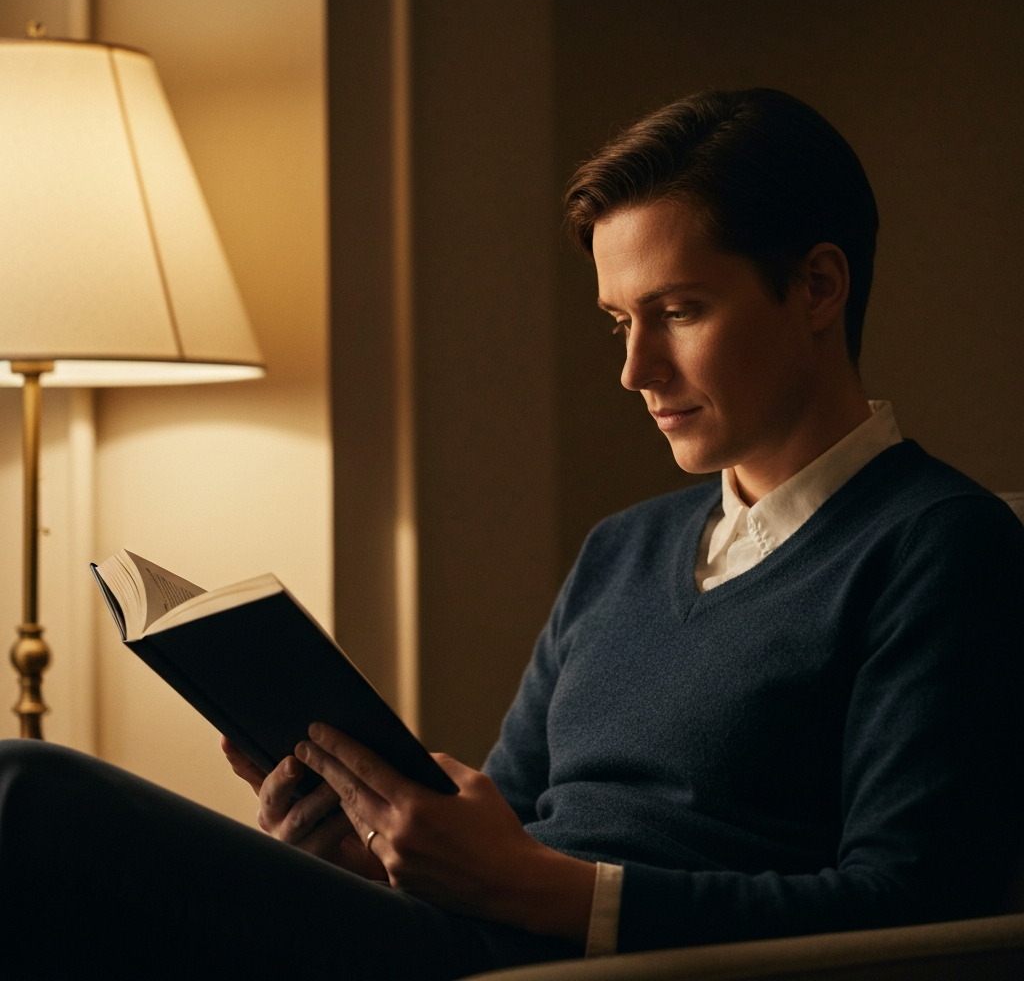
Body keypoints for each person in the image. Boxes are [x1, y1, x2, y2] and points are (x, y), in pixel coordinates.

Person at [0, 88, 1021, 980]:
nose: (635, 371)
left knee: (28, 797)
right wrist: (384, 853)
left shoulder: (942, 549)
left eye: (678, 310)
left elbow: (919, 911)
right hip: (474, 944)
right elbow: (512, 836)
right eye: (620, 322)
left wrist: (539, 889)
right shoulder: (622, 550)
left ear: (819, 287)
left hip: (595, 971)